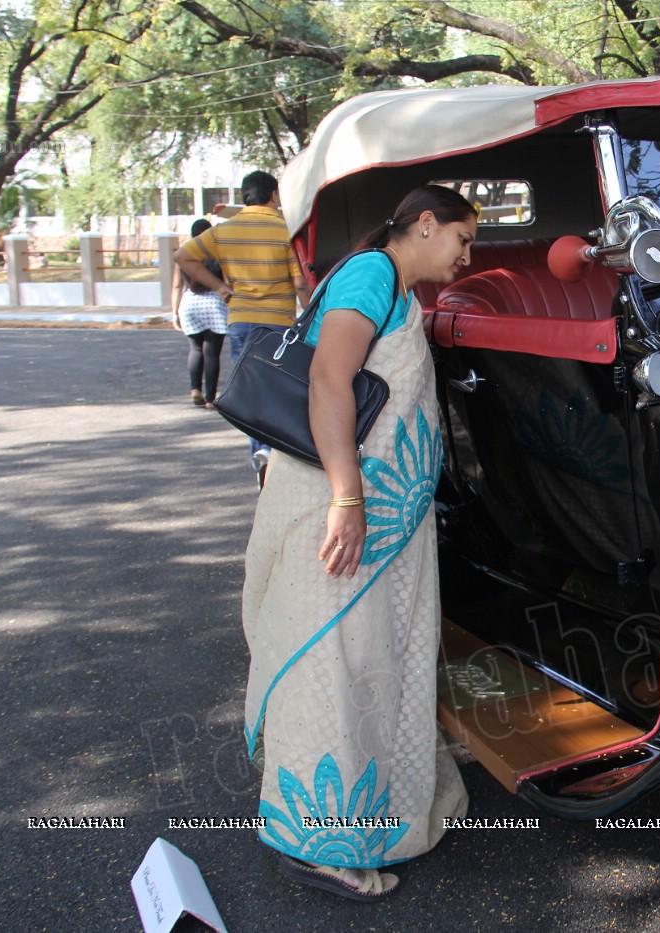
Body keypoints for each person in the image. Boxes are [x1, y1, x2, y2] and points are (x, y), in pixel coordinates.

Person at [241, 184, 478, 902]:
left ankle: (356, 816)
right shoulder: (372, 273)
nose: (467, 255)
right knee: (329, 662)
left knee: (356, 659)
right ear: (426, 224)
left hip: (371, 516)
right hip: (337, 506)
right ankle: (319, 841)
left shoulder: (390, 282)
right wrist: (347, 496)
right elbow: (326, 378)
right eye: (462, 239)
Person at [175, 170, 311, 484]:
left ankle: (259, 452)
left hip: (239, 322)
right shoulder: (285, 230)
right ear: (274, 195)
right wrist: (309, 312)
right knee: (279, 390)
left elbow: (183, 256)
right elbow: (299, 282)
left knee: (251, 392)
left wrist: (221, 288)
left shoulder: (225, 230)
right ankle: (277, 457)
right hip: (279, 324)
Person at [170, 219, 228, 408]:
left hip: (190, 302)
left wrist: (174, 311)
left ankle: (195, 388)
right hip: (214, 303)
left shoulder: (184, 255)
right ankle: (210, 398)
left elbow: (177, 285)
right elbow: (228, 283)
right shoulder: (217, 254)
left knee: (195, 349)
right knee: (212, 352)